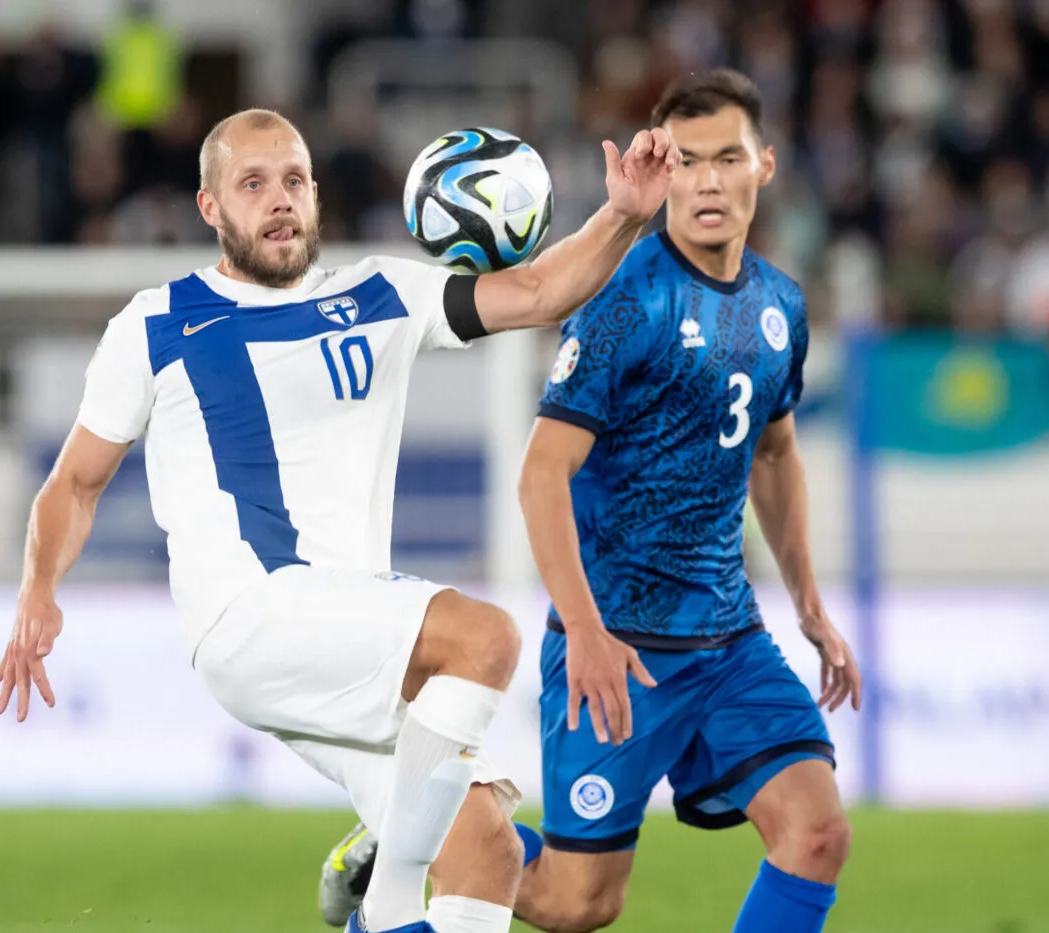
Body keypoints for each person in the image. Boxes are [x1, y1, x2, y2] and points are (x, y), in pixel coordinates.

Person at [0, 108, 679, 933]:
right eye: (251, 185)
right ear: (210, 207)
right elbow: (74, 483)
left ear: (315, 194)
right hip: (248, 612)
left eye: (292, 182)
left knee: (489, 848)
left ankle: (381, 892)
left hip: (350, 627)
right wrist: (38, 589)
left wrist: (628, 214)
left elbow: (539, 290)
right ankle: (385, 897)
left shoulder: (380, 293)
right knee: (484, 637)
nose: (278, 201)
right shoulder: (153, 324)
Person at [318, 69, 862, 933]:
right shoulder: (623, 300)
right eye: (686, 162)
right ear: (664, 172)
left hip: (729, 641)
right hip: (618, 648)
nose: (709, 180)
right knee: (578, 905)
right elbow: (542, 473)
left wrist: (810, 605)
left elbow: (776, 449)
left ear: (764, 164)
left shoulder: (780, 307)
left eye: (728, 158)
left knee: (818, 832)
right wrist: (587, 630)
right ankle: (414, 834)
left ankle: (420, 833)